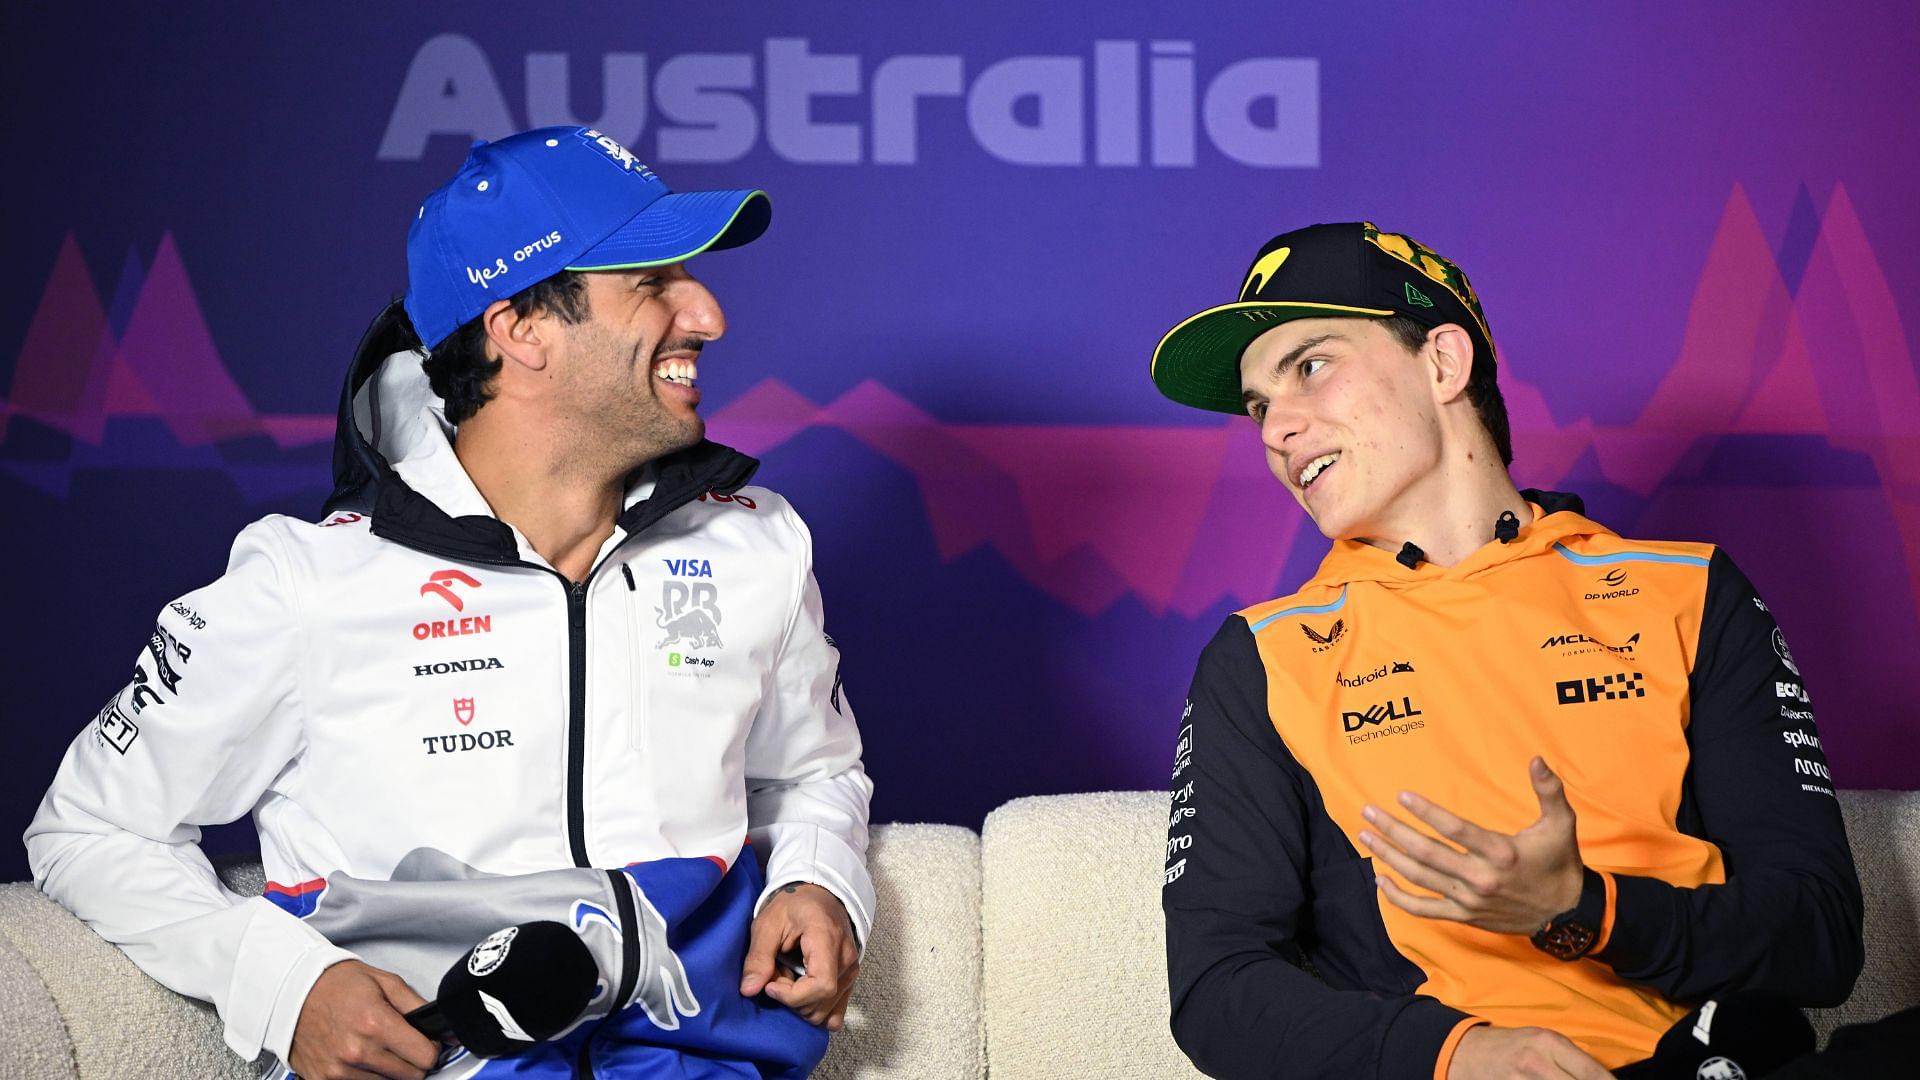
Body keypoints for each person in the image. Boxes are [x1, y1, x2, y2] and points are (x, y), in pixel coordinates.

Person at [26, 126, 873, 1080]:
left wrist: (820, 877)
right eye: (652, 283)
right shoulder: (305, 585)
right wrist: (280, 984)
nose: (708, 314)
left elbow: (814, 773)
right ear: (520, 327)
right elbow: (85, 829)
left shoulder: (755, 542)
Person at [1150, 223, 1862, 1079]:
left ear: (1443, 363)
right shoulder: (1264, 657)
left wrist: (1582, 910)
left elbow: (1819, 939)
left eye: (1309, 367)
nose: (1276, 431)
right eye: (1260, 406)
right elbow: (1217, 989)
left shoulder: (1690, 591)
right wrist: (1455, 1055)